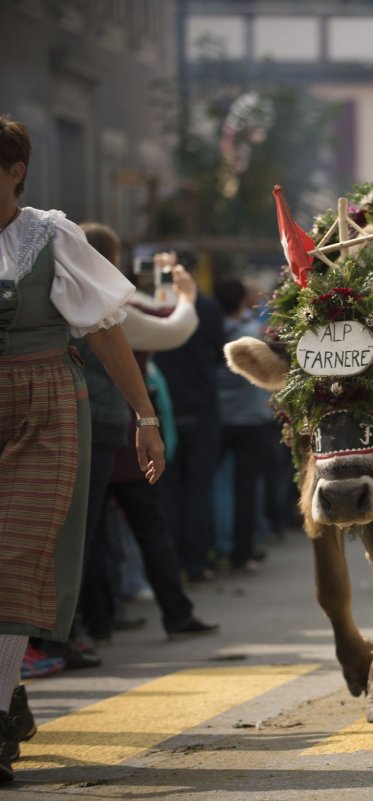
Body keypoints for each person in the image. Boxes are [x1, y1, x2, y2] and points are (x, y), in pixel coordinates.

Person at [0, 115, 166, 783]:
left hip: (45, 406)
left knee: (15, 558)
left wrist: (145, 414)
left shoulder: (50, 234)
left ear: (15, 172)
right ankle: (10, 691)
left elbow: (105, 332)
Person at [74, 225, 218, 644]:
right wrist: (186, 293)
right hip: (118, 435)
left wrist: (160, 285)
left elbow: (147, 310)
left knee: (94, 534)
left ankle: (95, 624)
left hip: (95, 430)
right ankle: (173, 613)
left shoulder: (65, 294)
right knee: (143, 529)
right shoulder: (103, 306)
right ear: (111, 260)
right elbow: (167, 326)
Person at [153, 253, 225, 582]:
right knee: (199, 487)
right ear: (193, 271)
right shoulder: (207, 307)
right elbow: (219, 353)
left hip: (163, 409)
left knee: (167, 489)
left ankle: (170, 564)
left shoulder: (152, 307)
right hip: (202, 408)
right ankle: (196, 561)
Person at [214, 276, 274, 574]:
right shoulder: (254, 336)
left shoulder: (210, 331)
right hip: (251, 420)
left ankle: (220, 546)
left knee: (219, 486)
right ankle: (242, 551)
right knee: (246, 488)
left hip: (218, 419)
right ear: (241, 301)